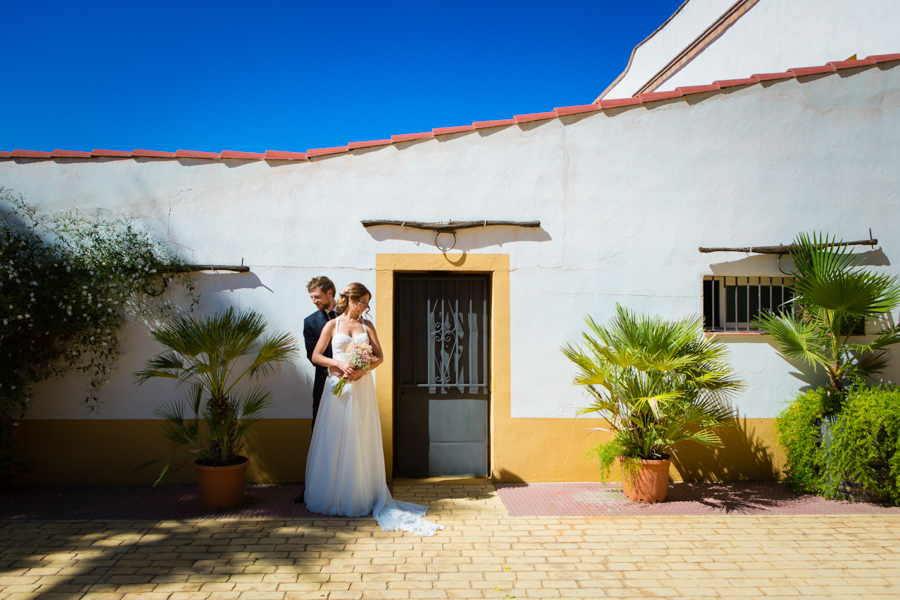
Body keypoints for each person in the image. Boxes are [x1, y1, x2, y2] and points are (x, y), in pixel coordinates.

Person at [304, 283, 444, 536]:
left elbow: (379, 356)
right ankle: (331, 494)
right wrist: (338, 363)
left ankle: (359, 494)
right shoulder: (331, 325)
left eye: (368, 303)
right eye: (364, 302)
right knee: (334, 437)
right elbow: (315, 355)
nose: (367, 307)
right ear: (352, 300)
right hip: (337, 385)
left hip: (361, 387)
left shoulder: (367, 326)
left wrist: (363, 368)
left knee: (360, 436)